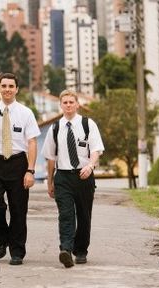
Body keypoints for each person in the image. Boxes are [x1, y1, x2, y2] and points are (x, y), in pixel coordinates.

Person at [0, 72, 40, 265]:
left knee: (19, 210)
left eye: (11, 86)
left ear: (17, 89)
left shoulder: (26, 112)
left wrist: (30, 170)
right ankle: (2, 241)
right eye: (4, 86)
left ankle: (17, 251)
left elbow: (32, 142)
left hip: (18, 163)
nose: (7, 89)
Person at [41, 89, 104, 268]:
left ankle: (81, 250)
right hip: (63, 177)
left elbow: (96, 150)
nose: (68, 105)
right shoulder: (55, 128)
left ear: (77, 104)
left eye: (71, 102)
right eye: (65, 102)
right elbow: (51, 158)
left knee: (84, 215)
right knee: (66, 215)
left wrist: (90, 166)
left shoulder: (87, 124)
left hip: (84, 176)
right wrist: (50, 182)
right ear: (60, 105)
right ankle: (66, 250)